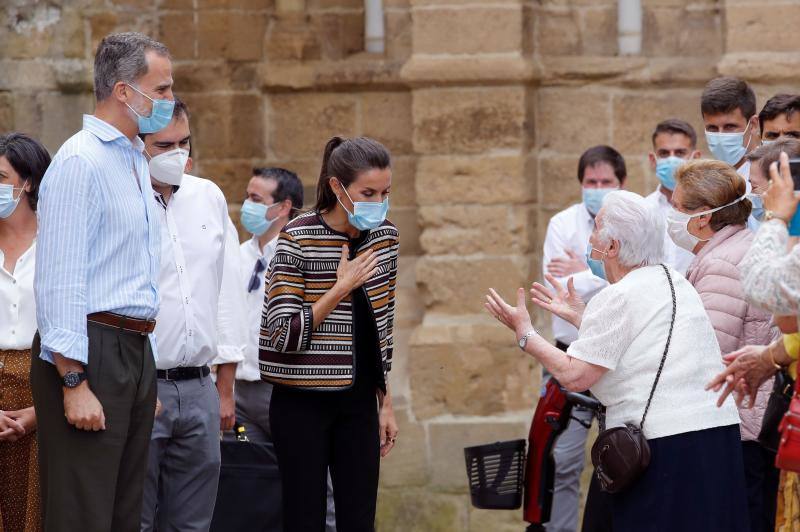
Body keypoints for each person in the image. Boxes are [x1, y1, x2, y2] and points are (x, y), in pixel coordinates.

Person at [486, 190, 747, 531]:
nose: (590, 238)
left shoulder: (620, 295)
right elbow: (635, 340)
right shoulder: (672, 279)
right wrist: (584, 317)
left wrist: (525, 333)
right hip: (714, 437)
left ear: (612, 247)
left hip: (666, 447)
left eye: (595, 228)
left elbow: (575, 375)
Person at [31, 32, 172, 532]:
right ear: (124, 91)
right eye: (162, 89)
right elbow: (59, 279)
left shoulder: (132, 160)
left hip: (131, 348)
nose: (169, 102)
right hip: (89, 347)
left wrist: (141, 372)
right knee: (82, 513)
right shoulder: (80, 161)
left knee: (121, 513)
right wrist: (73, 380)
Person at [261, 136, 399, 531]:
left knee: (359, 520)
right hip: (300, 403)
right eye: (367, 193)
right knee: (304, 519)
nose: (377, 202)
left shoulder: (386, 239)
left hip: (358, 405)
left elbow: (382, 333)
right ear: (338, 187)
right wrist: (340, 287)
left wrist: (385, 403)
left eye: (385, 192)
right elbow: (282, 335)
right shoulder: (297, 238)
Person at [137, 97, 246, 531]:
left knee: (193, 523)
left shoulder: (208, 197)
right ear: (138, 144)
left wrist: (225, 385)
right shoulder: (124, 200)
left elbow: (225, 290)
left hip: (199, 384)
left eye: (184, 142)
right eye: (164, 145)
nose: (176, 154)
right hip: (144, 385)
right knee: (135, 518)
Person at [670, 159, 779, 532]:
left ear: (702, 216)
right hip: (752, 423)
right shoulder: (738, 248)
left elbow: (708, 354)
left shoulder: (722, 264)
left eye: (677, 206)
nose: (671, 215)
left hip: (740, 429)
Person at [236, 167, 338, 531]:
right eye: (247, 196)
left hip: (284, 388)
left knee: (313, 479)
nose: (246, 206)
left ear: (283, 208)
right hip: (242, 390)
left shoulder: (299, 254)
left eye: (256, 199)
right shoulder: (238, 256)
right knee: (255, 482)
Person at [541, 145, 621, 532]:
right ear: (580, 184)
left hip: (618, 360)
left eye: (606, 181)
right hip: (568, 356)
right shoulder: (562, 223)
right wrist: (604, 270)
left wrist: (583, 268)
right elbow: (558, 286)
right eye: (591, 181)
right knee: (563, 459)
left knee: (626, 459)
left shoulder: (632, 220)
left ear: (620, 183)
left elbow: (637, 279)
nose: (598, 187)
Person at [0, 133, 50, 532]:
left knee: (39, 509)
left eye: (1, 176)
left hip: (41, 381)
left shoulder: (56, 243)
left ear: (27, 182)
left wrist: (40, 411)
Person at [644, 119, 701, 274]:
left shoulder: (709, 211)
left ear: (695, 158)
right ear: (652, 160)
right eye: (664, 153)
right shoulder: (642, 210)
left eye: (680, 153)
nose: (671, 159)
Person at [701, 76, 760, 177]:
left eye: (729, 127)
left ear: (753, 125)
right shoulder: (703, 181)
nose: (720, 136)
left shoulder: (771, 176)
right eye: (712, 128)